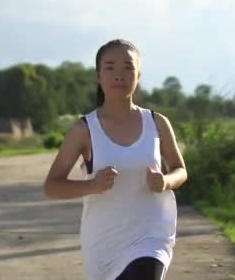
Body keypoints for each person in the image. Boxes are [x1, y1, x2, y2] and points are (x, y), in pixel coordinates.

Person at [43, 39, 188, 280]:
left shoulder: (157, 123)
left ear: (138, 74)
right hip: (104, 241)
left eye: (128, 67)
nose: (119, 74)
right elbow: (52, 186)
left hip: (151, 235)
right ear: (98, 75)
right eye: (110, 67)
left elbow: (180, 170)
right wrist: (93, 186)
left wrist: (164, 182)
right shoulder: (84, 129)